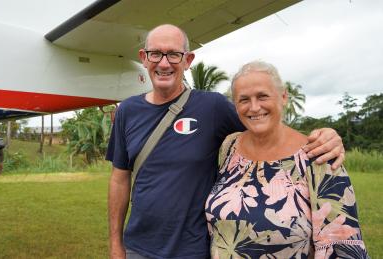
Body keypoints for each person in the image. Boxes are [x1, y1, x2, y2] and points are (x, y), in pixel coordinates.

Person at [106, 24, 345, 259]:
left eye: (174, 54)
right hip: (137, 247)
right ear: (144, 58)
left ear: (188, 60)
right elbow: (119, 179)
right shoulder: (128, 111)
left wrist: (323, 136)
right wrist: (116, 243)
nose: (164, 63)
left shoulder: (212, 106)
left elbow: (264, 124)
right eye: (155, 54)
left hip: (193, 249)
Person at [205, 61, 368, 258]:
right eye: (244, 99)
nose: (254, 107)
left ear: (283, 97)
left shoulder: (318, 157)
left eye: (262, 96)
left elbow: (342, 248)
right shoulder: (229, 147)